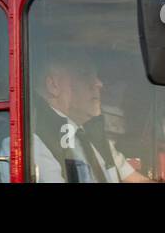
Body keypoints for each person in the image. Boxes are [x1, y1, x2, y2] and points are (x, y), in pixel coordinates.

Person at [31, 47, 150, 183]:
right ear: (53, 85)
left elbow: (136, 180)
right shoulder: (33, 144)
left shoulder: (92, 136)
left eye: (96, 76)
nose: (99, 84)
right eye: (84, 74)